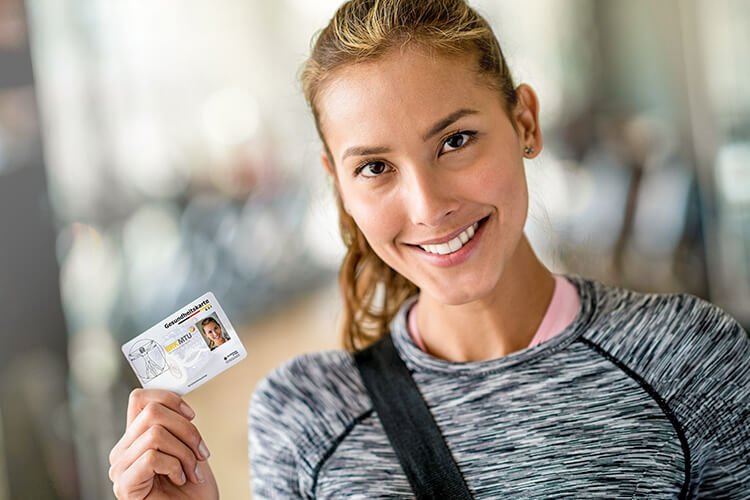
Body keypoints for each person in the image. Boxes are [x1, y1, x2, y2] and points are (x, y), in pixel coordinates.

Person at [108, 0, 750, 498]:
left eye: (455, 141)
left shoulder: (690, 359)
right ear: (340, 186)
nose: (427, 206)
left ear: (524, 122)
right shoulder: (302, 414)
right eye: (375, 168)